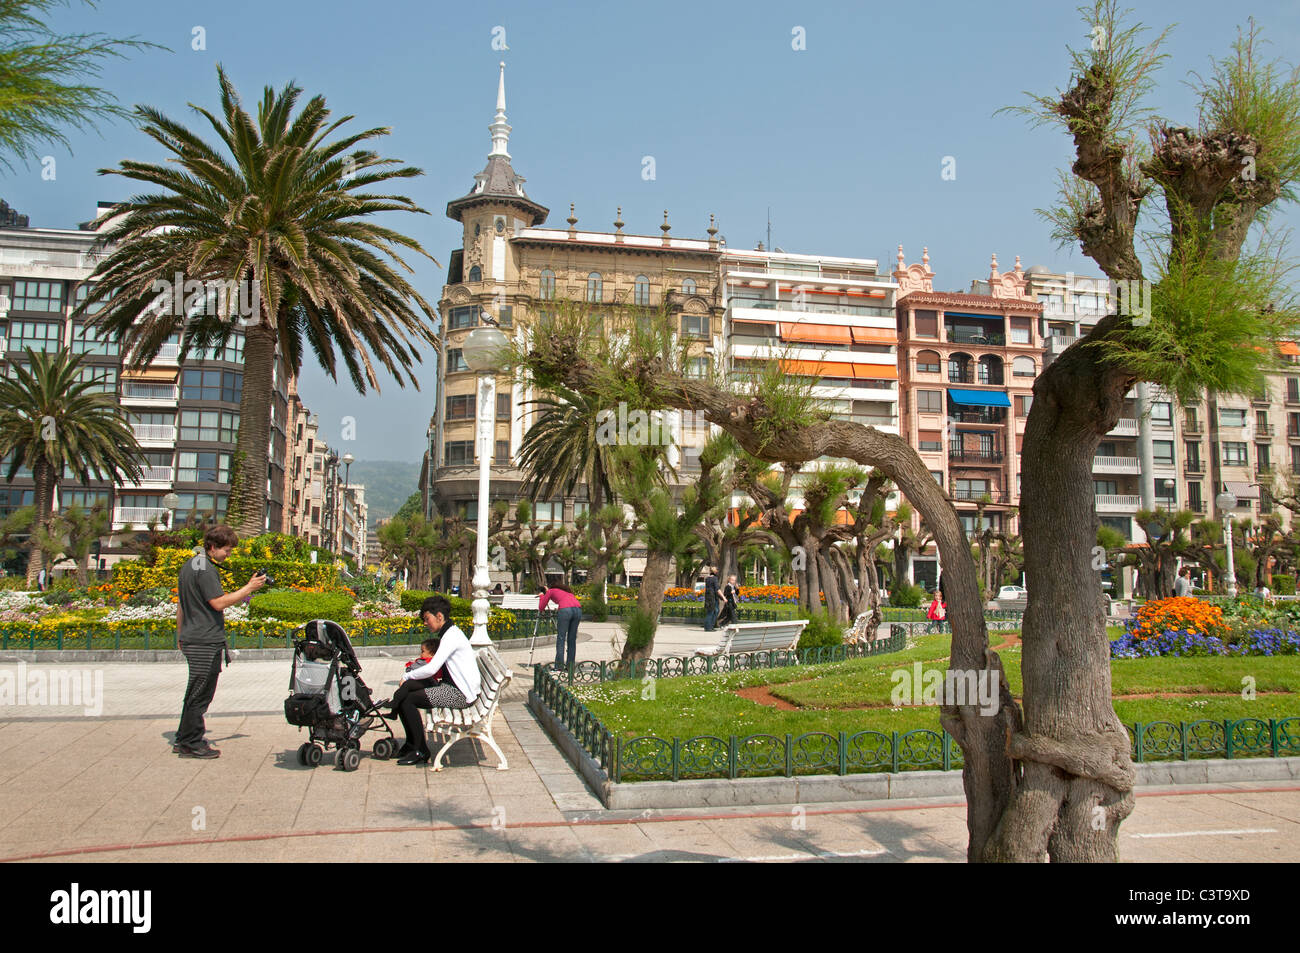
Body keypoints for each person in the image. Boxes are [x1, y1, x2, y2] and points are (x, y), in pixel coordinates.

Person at [174, 525, 269, 758]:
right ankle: (192, 743)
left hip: (191, 637)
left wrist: (179, 635)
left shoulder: (191, 565)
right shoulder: (205, 569)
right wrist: (249, 587)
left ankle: (184, 738)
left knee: (194, 691)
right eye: (226, 550)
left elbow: (180, 605)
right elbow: (218, 603)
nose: (229, 554)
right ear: (212, 547)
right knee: (201, 693)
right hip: (205, 640)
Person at [386, 595, 480, 765]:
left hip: (459, 695)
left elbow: (431, 668)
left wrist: (407, 675)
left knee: (408, 700)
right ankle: (410, 743)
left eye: (427, 619)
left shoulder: (451, 636)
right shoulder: (450, 633)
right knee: (406, 689)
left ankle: (421, 750)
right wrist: (407, 680)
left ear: (439, 617)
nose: (425, 623)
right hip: (454, 688)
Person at [540, 583, 582, 670]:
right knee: (572, 639)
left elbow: (541, 607)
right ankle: (570, 666)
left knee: (561, 638)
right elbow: (558, 599)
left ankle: (559, 667)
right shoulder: (567, 592)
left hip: (565, 610)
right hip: (578, 610)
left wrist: (541, 596)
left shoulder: (550, 591)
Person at [703, 567, 720, 631]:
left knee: (713, 611)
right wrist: (723, 597)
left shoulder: (707, 579)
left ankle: (709, 626)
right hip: (713, 597)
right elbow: (717, 589)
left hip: (708, 596)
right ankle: (709, 627)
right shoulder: (715, 579)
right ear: (715, 572)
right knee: (712, 612)